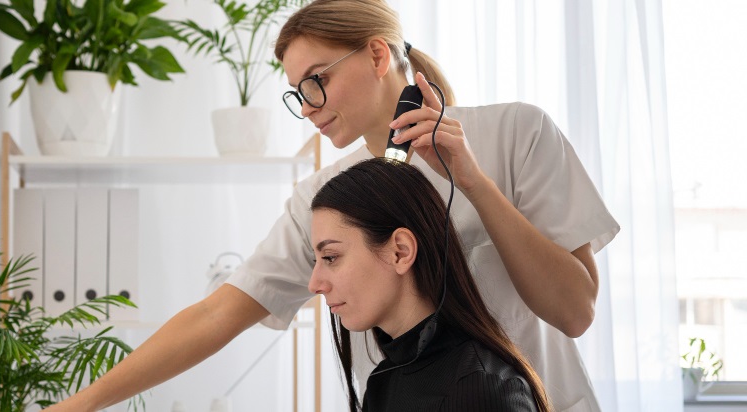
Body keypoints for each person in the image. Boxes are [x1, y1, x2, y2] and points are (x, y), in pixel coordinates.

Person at [45, 0, 618, 411]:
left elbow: (575, 312)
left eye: (317, 79)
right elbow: (218, 314)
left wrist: (473, 183)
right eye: (298, 93)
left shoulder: (515, 134)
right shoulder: (325, 200)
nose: (309, 106)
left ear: (375, 55)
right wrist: (82, 404)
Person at [310, 158, 550, 411]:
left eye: (331, 257)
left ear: (400, 252)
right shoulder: (382, 382)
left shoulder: (481, 389)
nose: (315, 284)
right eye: (317, 260)